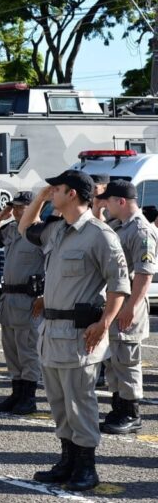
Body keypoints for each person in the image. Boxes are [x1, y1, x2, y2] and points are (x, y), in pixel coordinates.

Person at [19, 170, 129, 491]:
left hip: (80, 334)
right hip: (51, 332)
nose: (52, 192)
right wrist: (39, 198)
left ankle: (86, 466)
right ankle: (67, 460)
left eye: (57, 189)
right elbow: (25, 227)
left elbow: (119, 285)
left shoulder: (100, 234)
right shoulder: (57, 231)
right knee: (58, 403)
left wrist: (105, 322)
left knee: (80, 403)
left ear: (73, 195)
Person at [96, 180, 155, 435]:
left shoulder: (141, 230)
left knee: (127, 360)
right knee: (113, 360)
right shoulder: (119, 226)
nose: (105, 206)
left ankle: (131, 413)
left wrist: (130, 308)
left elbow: (144, 273)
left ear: (121, 201)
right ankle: (119, 407)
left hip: (129, 305)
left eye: (108, 201)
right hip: (115, 303)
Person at [0, 191, 44, 414]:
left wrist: (45, 296)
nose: (16, 211)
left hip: (29, 299)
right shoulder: (10, 229)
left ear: (32, 207)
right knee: (11, 350)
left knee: (27, 350)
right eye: (14, 207)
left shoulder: (40, 232)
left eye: (21, 207)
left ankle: (28, 397)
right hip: (8, 298)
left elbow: (53, 264)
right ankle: (16, 393)